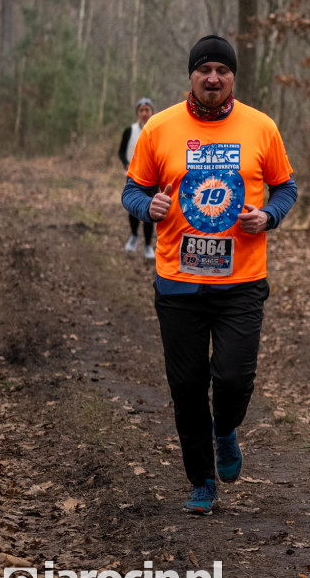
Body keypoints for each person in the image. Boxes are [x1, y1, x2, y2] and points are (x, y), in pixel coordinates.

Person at [121, 35, 298, 515]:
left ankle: (225, 431)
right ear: (192, 76)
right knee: (186, 385)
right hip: (177, 281)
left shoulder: (261, 127)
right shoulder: (160, 128)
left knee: (235, 378)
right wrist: (148, 204)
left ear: (233, 77)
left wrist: (270, 216)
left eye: (222, 70)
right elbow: (132, 190)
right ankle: (201, 480)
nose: (213, 78)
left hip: (241, 280)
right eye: (204, 70)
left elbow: (286, 188)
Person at [119, 97, 156, 258]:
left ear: (152, 112)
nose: (144, 113)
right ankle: (134, 235)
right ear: (137, 113)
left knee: (151, 209)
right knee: (133, 207)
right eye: (141, 110)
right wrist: (126, 163)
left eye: (147, 110)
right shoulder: (130, 130)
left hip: (152, 177)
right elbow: (121, 151)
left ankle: (148, 245)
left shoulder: (157, 129)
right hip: (133, 175)